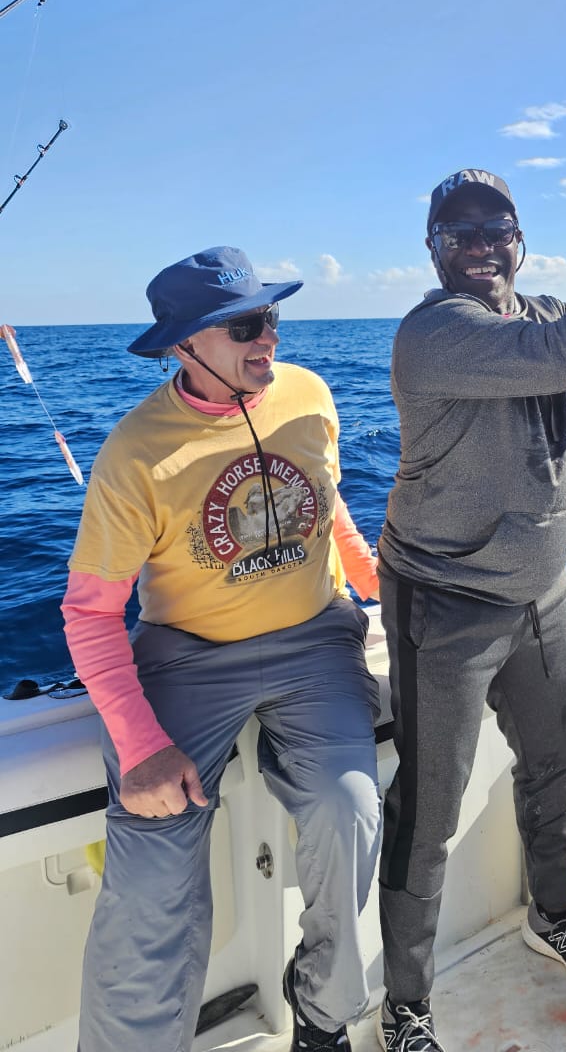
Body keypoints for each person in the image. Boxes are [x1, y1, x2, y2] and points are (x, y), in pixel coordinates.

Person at [375, 167, 566, 1052]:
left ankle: (552, 916)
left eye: (494, 229)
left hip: (539, 596)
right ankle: (406, 1004)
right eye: (457, 235)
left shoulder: (548, 316)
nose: (479, 247)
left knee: (555, 770)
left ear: (520, 239)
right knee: (426, 816)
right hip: (445, 603)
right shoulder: (432, 335)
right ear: (434, 252)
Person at [61, 247, 382, 1052]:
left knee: (350, 812)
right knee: (153, 864)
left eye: (271, 317)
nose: (266, 339)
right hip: (189, 656)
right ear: (184, 345)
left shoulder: (309, 394)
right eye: (244, 325)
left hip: (318, 642)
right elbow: (92, 614)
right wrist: (139, 747)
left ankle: (322, 1011)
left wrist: (373, 582)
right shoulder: (135, 454)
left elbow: (328, 503)